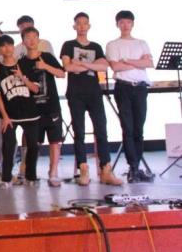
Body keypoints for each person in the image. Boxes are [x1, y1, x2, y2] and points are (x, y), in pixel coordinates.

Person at [60, 12, 122, 186]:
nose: (82, 26)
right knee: (79, 132)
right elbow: (67, 67)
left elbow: (103, 66)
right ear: (74, 26)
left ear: (89, 26)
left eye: (85, 23)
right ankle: (83, 169)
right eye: (78, 23)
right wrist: (90, 66)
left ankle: (106, 169)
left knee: (101, 130)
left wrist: (81, 64)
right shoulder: (68, 45)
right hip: (75, 93)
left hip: (94, 93)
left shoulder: (96, 46)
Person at [106, 10, 154, 183]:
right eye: (122, 22)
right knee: (128, 129)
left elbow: (149, 63)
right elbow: (115, 67)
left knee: (139, 129)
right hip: (123, 88)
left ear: (132, 24)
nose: (125, 25)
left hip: (140, 88)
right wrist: (138, 63)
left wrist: (126, 61)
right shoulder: (113, 44)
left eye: (128, 22)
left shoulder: (141, 43)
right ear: (117, 24)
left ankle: (137, 167)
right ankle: (132, 167)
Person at [0, 35, 40, 189]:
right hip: (10, 116)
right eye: (3, 46)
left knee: (33, 146)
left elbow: (36, 89)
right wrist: (5, 116)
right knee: (9, 146)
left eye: (9, 45)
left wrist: (22, 77)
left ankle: (31, 176)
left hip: (30, 113)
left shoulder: (25, 64)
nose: (7, 48)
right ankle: (6, 178)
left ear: (14, 46)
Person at [20, 27, 66, 187]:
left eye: (34, 37)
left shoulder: (47, 57)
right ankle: (30, 173)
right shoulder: (21, 62)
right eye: (28, 37)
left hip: (52, 107)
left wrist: (45, 66)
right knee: (33, 143)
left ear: (39, 40)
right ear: (23, 42)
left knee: (55, 142)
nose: (32, 40)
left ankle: (53, 173)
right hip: (32, 110)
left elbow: (62, 74)